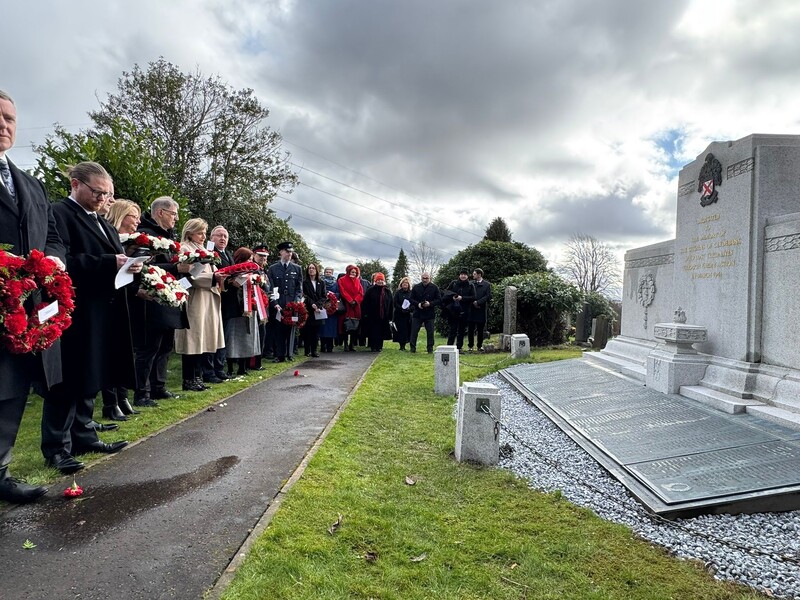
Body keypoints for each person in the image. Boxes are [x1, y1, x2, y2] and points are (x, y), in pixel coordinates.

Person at [42, 161, 136, 474]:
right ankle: (56, 447)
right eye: (97, 192)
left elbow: (111, 258)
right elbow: (63, 261)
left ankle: (83, 434)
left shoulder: (102, 221)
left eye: (107, 194)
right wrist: (111, 260)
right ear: (75, 184)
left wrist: (128, 265)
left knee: (89, 375)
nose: (102, 198)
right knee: (68, 379)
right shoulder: (60, 214)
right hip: (75, 310)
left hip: (101, 308)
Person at [0, 90, 66, 502]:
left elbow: (53, 238)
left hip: (28, 307)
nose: (3, 124)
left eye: (9, 118)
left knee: (13, 387)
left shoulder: (31, 184)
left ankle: (1, 470)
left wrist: (54, 263)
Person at [132, 196, 186, 405]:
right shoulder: (145, 236)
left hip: (168, 299)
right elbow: (144, 267)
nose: (176, 218)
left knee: (164, 346)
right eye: (173, 214)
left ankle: (158, 386)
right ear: (160, 212)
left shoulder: (169, 236)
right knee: (148, 348)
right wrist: (175, 268)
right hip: (151, 300)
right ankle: (141, 393)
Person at [99, 199, 143, 421]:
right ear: (120, 215)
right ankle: (110, 401)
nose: (137, 221)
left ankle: (122, 395)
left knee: (125, 349)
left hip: (126, 298)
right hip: (108, 300)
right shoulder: (108, 235)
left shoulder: (132, 241)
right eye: (133, 216)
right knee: (110, 351)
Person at [174, 219, 226, 391]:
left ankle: (198, 377)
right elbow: (188, 275)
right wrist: (213, 278)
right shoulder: (184, 248)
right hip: (195, 297)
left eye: (204, 233)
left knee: (202, 338)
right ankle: (189, 379)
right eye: (200, 233)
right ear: (190, 233)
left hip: (208, 296)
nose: (203, 236)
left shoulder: (204, 250)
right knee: (193, 338)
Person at [224, 247, 262, 376]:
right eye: (248, 259)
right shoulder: (232, 271)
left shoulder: (255, 273)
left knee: (247, 338)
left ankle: (243, 367)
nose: (250, 262)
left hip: (249, 308)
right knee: (233, 339)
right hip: (234, 310)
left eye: (251, 259)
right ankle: (229, 368)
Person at [203, 225, 234, 383]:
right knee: (211, 336)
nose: (223, 239)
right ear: (211, 237)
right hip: (213, 299)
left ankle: (219, 368)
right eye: (219, 235)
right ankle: (208, 370)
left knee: (222, 336)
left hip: (226, 301)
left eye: (225, 236)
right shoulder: (208, 253)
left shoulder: (228, 254)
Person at [267, 241, 303, 362]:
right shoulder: (273, 269)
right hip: (279, 303)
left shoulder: (297, 269)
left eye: (291, 252)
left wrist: (296, 302)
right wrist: (275, 303)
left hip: (291, 304)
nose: (289, 254)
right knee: (278, 330)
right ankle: (279, 355)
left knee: (291, 329)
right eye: (287, 252)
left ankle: (290, 353)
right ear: (281, 252)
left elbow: (299, 288)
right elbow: (271, 288)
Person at [251, 243, 273, 369]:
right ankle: (254, 363)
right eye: (260, 255)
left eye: (265, 256)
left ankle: (258, 362)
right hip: (255, 306)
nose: (263, 258)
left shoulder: (263, 270)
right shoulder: (253, 269)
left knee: (262, 334)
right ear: (254, 255)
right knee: (257, 334)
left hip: (263, 306)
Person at [443, 268, 476, 350]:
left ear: (467, 276)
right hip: (453, 310)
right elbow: (446, 293)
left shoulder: (471, 285)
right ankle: (449, 347)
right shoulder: (453, 283)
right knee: (452, 329)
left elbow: (473, 297)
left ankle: (459, 347)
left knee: (461, 330)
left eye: (465, 274)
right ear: (459, 275)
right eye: (462, 274)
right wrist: (453, 297)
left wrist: (462, 298)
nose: (463, 276)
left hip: (464, 310)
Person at [409, 272, 440, 354]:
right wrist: (418, 304)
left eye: (427, 278)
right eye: (423, 278)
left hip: (429, 313)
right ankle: (412, 348)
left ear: (430, 278)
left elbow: (439, 299)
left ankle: (430, 348)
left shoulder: (434, 287)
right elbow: (411, 299)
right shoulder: (416, 287)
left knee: (430, 332)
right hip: (417, 313)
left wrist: (430, 304)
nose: (425, 280)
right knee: (414, 331)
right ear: (421, 278)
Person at [362, 272, 392, 352]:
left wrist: (390, 316)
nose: (380, 281)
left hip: (383, 316)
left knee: (381, 332)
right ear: (375, 280)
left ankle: (379, 346)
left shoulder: (387, 291)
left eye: (381, 280)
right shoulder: (370, 290)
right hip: (372, 315)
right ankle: (373, 346)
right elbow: (365, 303)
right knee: (373, 332)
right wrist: (365, 314)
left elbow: (391, 304)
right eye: (378, 280)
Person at [302, 263, 327, 357]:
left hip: (318, 310)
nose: (311, 270)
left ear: (316, 270)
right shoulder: (304, 282)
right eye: (309, 268)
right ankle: (307, 350)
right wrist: (312, 303)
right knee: (307, 331)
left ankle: (314, 350)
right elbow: (304, 295)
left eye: (313, 268)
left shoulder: (321, 282)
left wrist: (317, 305)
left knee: (316, 332)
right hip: (308, 309)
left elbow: (324, 296)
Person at [338, 265, 364, 352]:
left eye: (355, 272)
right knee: (345, 325)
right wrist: (350, 300)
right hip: (346, 305)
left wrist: (355, 301)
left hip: (355, 306)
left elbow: (361, 293)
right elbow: (343, 291)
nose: (353, 274)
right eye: (352, 272)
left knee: (355, 325)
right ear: (348, 272)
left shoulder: (357, 281)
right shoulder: (341, 280)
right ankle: (345, 343)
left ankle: (352, 344)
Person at [468, 268, 492, 352]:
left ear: (479, 275)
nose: (473, 275)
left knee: (480, 329)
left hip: (481, 309)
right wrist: (473, 302)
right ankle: (470, 346)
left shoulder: (487, 284)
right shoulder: (471, 284)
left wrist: (478, 302)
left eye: (474, 274)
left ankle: (479, 346)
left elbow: (487, 296)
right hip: (471, 309)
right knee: (470, 329)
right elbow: (468, 295)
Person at [318, 267, 340, 353]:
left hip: (332, 310)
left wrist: (333, 296)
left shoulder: (335, 283)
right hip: (323, 307)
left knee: (331, 329)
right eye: (326, 272)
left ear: (332, 273)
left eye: (330, 272)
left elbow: (338, 293)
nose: (328, 273)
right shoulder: (320, 282)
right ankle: (323, 346)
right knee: (322, 328)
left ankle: (330, 346)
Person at [392, 277, 413, 351]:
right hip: (399, 314)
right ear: (401, 284)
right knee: (400, 330)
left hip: (407, 314)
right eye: (403, 283)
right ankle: (401, 346)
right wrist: (401, 308)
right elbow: (395, 302)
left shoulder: (411, 293)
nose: (405, 285)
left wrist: (409, 309)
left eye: (406, 283)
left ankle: (408, 343)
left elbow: (413, 302)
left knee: (408, 330)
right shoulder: (398, 293)